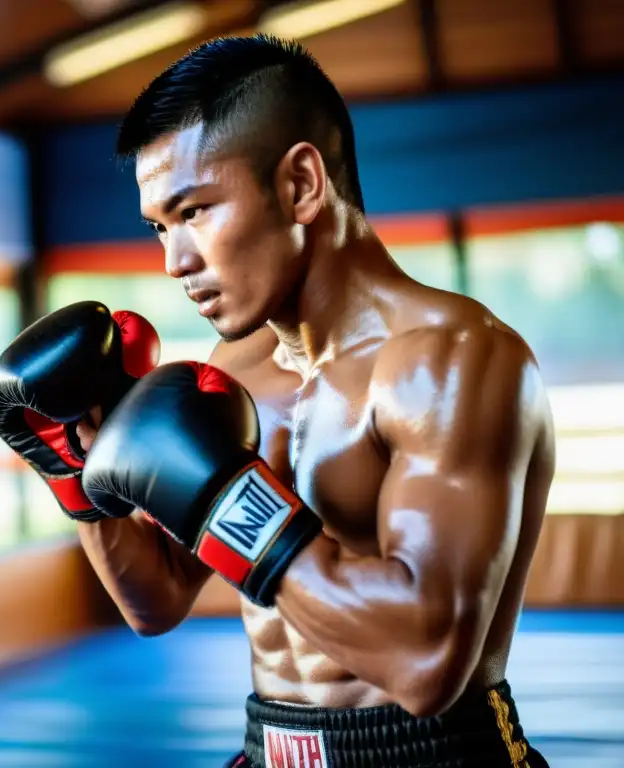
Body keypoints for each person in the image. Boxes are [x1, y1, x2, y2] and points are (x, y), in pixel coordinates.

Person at [70, 35, 555, 768]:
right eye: (158, 227)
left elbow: (427, 663)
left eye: (194, 210)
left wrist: (228, 502)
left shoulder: (452, 360)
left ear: (300, 183)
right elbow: (159, 599)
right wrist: (73, 474)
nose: (173, 262)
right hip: (269, 748)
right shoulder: (234, 367)